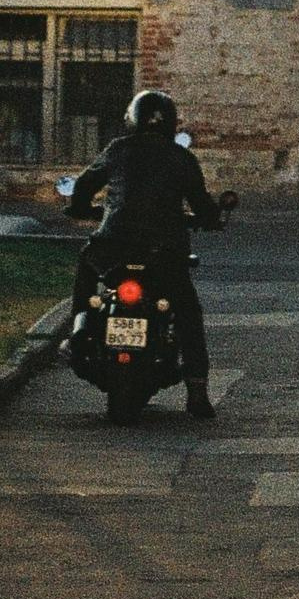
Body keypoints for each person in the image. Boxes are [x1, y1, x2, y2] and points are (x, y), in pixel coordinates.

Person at [63, 86, 228, 417]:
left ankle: (76, 333)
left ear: (132, 119)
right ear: (171, 123)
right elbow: (202, 205)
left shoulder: (118, 149)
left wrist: (80, 207)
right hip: (163, 252)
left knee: (86, 266)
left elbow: (82, 187)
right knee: (187, 313)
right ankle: (197, 391)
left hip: (112, 247)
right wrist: (211, 218)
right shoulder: (181, 157)